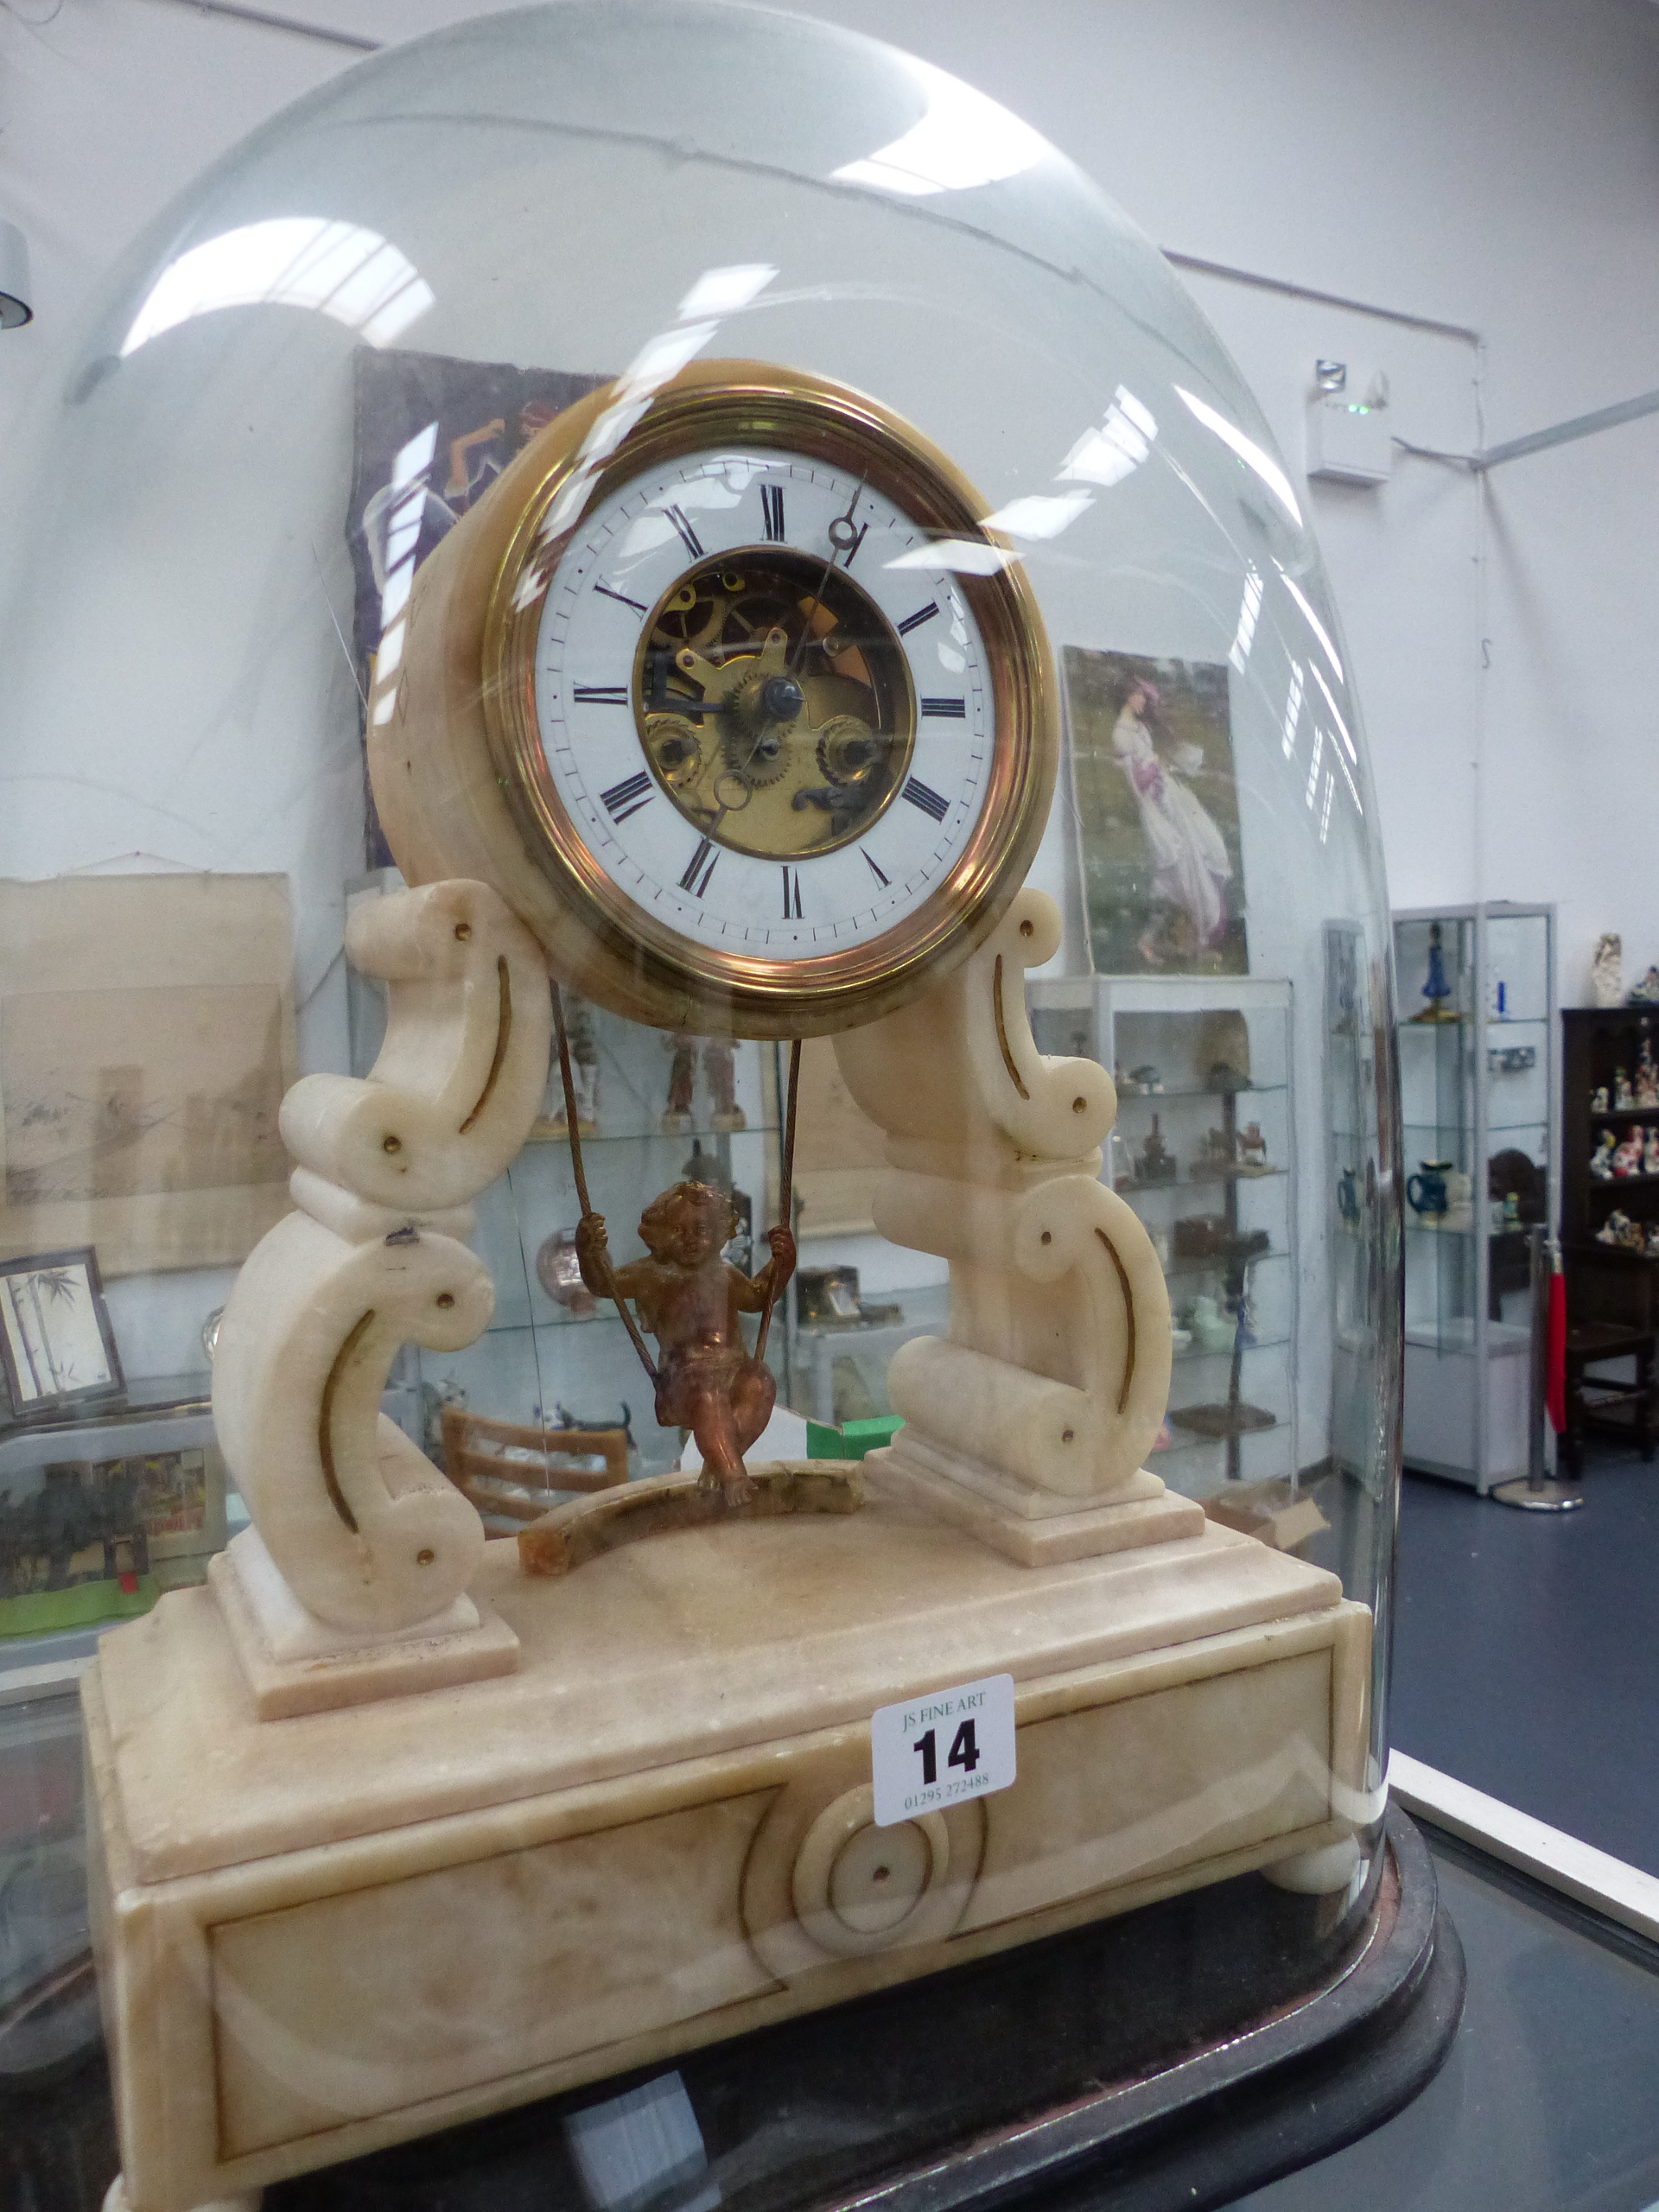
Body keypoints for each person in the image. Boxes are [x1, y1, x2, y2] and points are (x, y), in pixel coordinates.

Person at [575, 1181, 795, 1503]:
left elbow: (760, 1296)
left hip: (732, 1371)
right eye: (678, 1230)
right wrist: (588, 1250)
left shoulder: (725, 1274)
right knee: (708, 1394)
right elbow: (602, 1283)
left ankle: (720, 1458)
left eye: (701, 1229)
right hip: (684, 1380)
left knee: (760, 1381)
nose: (691, 1239)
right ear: (659, 1235)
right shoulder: (651, 1274)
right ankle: (734, 1477)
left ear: (720, 1232)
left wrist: (784, 1262)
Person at [1111, 679, 1233, 963]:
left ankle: (1191, 940)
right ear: (1128, 696)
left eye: (1144, 697)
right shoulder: (1121, 734)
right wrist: (1153, 766)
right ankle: (1159, 941)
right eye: (1139, 696)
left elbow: (1152, 765)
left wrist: (1158, 765)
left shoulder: (1139, 729)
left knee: (1205, 845)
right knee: (1176, 868)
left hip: (1170, 796)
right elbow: (1135, 781)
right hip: (1155, 805)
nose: (1142, 701)